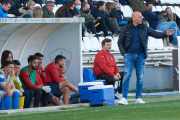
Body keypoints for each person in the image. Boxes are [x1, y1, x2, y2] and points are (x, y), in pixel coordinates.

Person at [117, 11, 174, 105]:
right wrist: (124, 54)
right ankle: (124, 98)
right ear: (134, 18)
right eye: (139, 17)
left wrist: (166, 34)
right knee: (127, 77)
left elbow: (155, 34)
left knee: (140, 77)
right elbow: (120, 42)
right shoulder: (125, 28)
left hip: (141, 55)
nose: (141, 18)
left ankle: (138, 98)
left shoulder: (144, 27)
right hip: (129, 55)